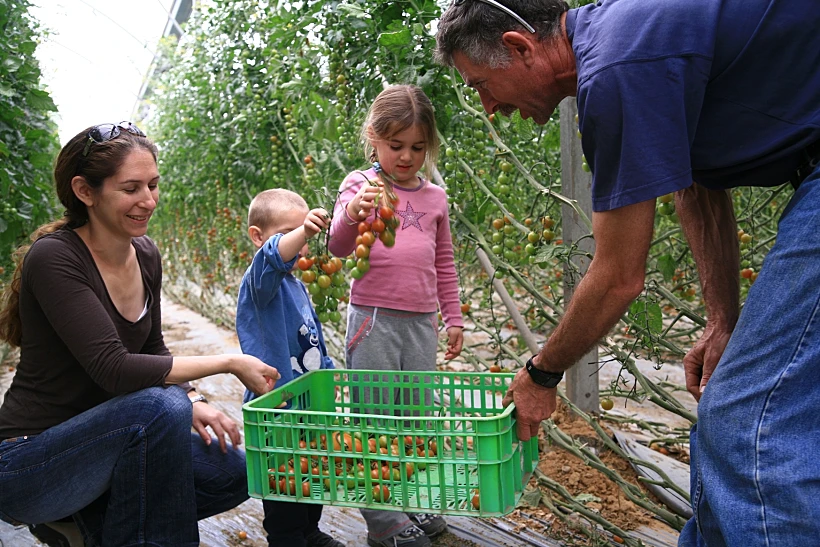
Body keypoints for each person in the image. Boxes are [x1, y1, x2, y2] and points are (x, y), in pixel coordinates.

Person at [435, 0, 820, 545]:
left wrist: (542, 374)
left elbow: (618, 276)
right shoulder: (622, 43)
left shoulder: (615, 70)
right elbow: (694, 185)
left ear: (520, 47)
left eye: (480, 84)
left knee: (749, 425)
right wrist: (720, 319)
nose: (489, 106)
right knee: (738, 414)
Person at [0, 122, 279, 547]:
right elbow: (114, 369)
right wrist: (229, 361)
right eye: (131, 189)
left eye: (153, 185)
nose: (148, 201)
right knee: (159, 407)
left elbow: (151, 348)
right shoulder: (56, 258)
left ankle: (87, 525)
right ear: (85, 191)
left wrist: (193, 398)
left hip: (111, 446)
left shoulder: (145, 254)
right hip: (30, 462)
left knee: (233, 473)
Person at [328, 84, 464, 547]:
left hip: (422, 323)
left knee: (417, 418)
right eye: (396, 146)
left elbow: (443, 262)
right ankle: (383, 519)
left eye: (418, 148)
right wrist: (352, 212)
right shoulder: (359, 186)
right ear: (374, 139)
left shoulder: (435, 199)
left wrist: (455, 318)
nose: (407, 157)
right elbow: (338, 246)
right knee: (375, 419)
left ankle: (411, 497)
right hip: (374, 321)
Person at [235, 188, 343, 547]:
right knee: (283, 482)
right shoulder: (261, 282)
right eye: (291, 234)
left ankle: (309, 531)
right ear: (258, 236)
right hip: (277, 406)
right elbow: (272, 257)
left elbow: (311, 339)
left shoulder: (295, 285)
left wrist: (326, 374)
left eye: (305, 236)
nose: (303, 245)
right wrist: (305, 232)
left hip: (308, 402)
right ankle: (287, 538)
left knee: (311, 471)